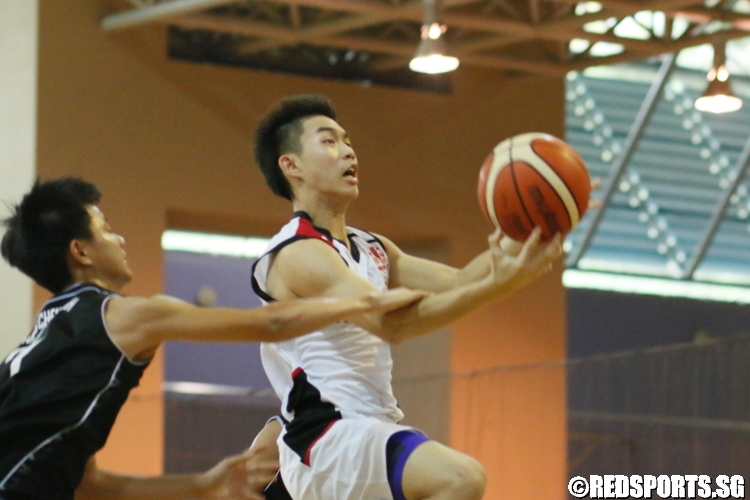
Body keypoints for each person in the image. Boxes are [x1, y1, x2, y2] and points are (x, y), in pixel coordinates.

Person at [0, 177, 426, 500]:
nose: (120, 238)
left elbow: (89, 487)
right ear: (81, 251)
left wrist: (206, 483)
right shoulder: (123, 315)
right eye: (106, 229)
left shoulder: (43, 338)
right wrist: (360, 303)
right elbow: (271, 324)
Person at [251, 94, 568, 500]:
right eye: (329, 141)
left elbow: (459, 283)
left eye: (348, 141)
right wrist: (501, 283)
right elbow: (391, 323)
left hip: (368, 428)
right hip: (324, 437)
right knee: (459, 479)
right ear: (291, 165)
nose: (348, 150)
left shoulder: (373, 247)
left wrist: (533, 226)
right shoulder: (298, 253)